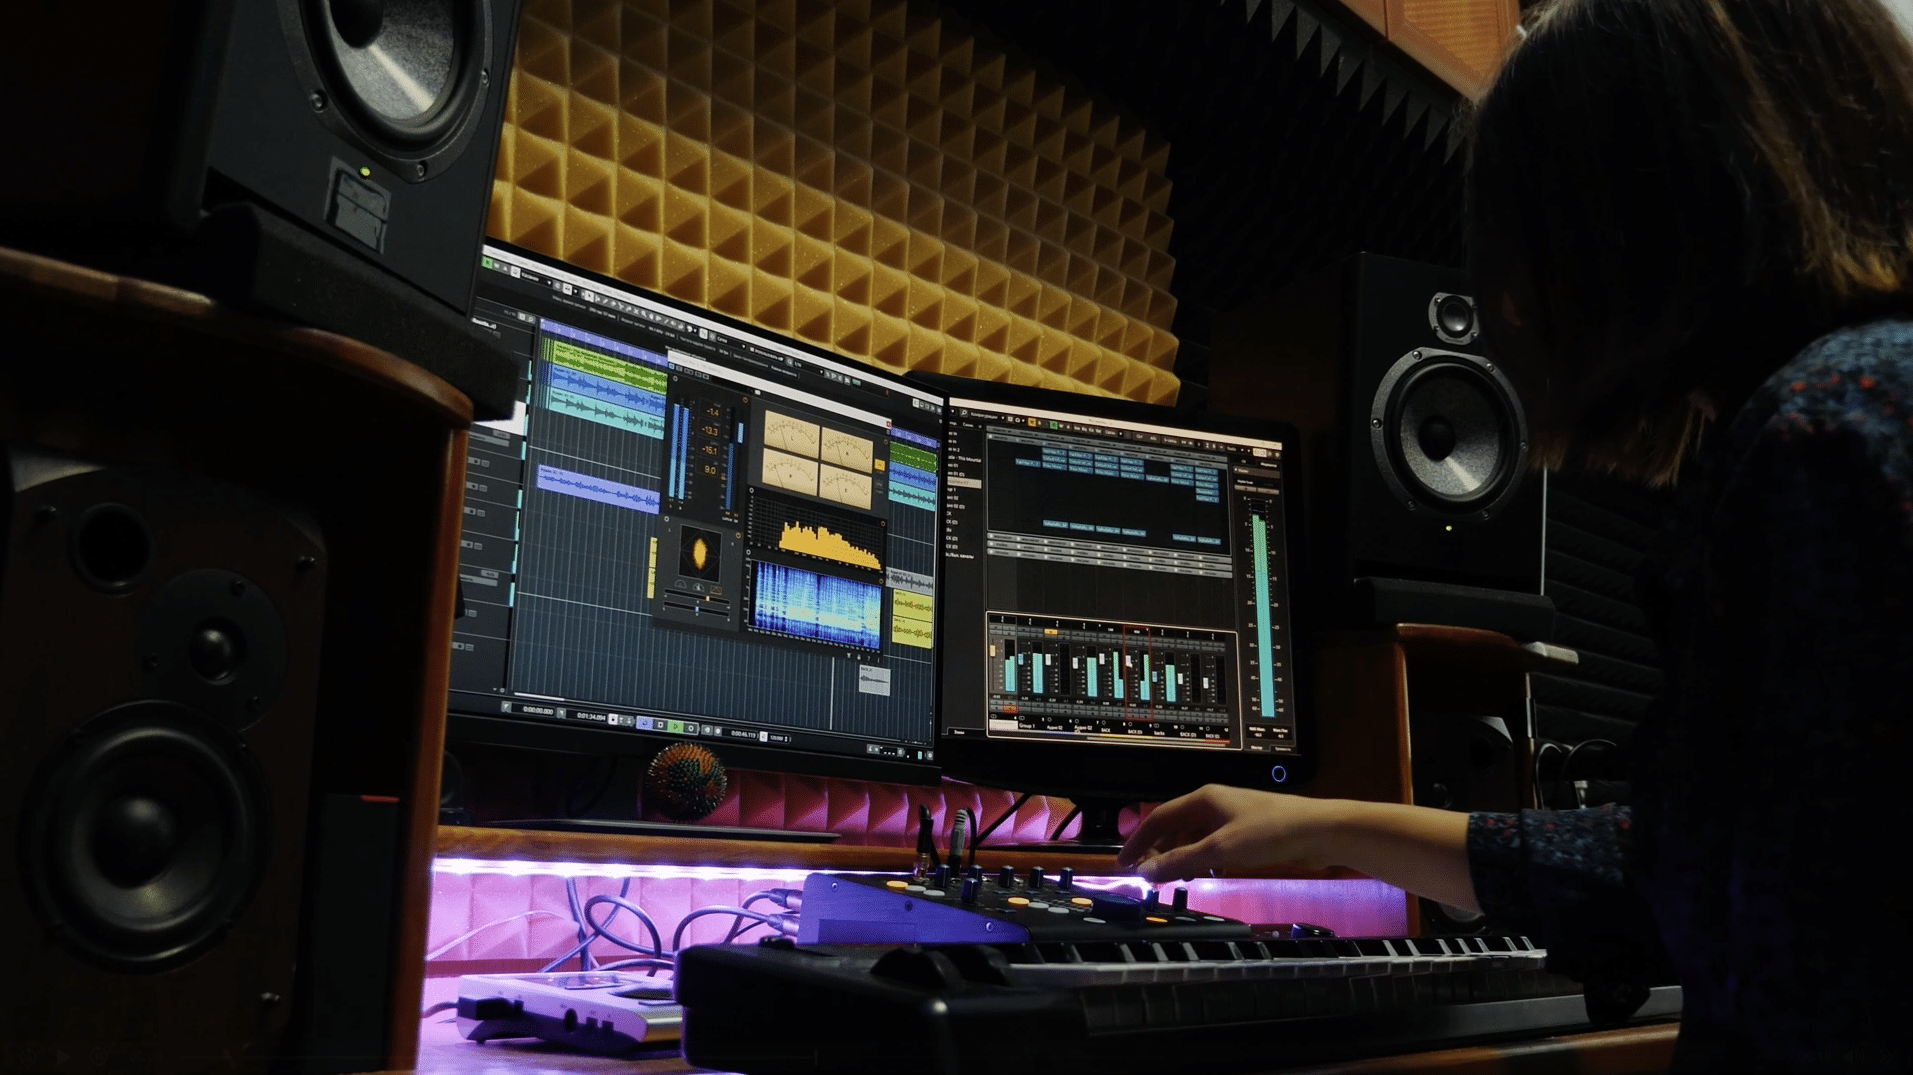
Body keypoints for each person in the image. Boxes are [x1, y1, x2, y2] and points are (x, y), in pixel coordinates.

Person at [1117, 0, 1913, 1070]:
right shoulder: (1870, 389)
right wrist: (1321, 827)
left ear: (1626, 219)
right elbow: (1696, 869)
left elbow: (1800, 967)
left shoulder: (1823, 431)